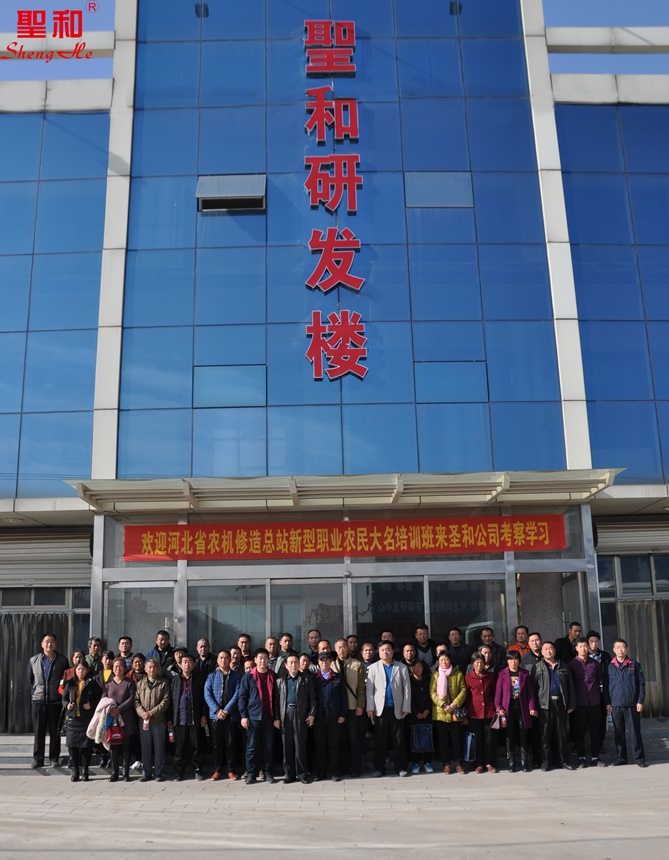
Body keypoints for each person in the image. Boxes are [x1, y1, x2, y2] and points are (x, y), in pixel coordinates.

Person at [366, 640, 412, 777]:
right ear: (378, 652)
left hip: (397, 708)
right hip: (380, 709)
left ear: (393, 651)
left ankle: (400, 767)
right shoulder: (373, 668)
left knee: (399, 739)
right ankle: (379, 768)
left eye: (388, 649)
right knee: (380, 740)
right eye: (382, 650)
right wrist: (370, 708)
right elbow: (369, 691)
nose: (385, 652)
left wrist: (406, 706)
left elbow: (407, 689)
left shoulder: (401, 667)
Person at [237, 648, 280, 784]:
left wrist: (277, 717)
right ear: (255, 660)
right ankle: (251, 773)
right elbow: (242, 697)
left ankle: (268, 772)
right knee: (252, 746)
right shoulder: (248, 676)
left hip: (269, 717)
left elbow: (277, 698)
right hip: (253, 716)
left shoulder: (273, 676)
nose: (262, 661)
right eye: (260, 658)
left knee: (268, 746)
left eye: (265, 658)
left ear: (268, 660)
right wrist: (243, 715)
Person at [532, 642, 575, 771]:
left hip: (561, 703)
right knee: (545, 734)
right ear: (542, 652)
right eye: (545, 649)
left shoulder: (563, 666)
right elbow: (532, 689)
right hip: (544, 705)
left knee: (561, 734)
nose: (548, 651)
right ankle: (546, 761)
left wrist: (571, 704)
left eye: (551, 648)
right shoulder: (537, 667)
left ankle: (563, 761)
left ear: (555, 651)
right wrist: (533, 706)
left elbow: (571, 686)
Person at [29, 632, 70, 769]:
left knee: (55, 732)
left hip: (55, 701)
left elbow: (65, 680)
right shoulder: (33, 660)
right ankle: (38, 759)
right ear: (42, 644)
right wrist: (36, 692)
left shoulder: (62, 660)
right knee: (39, 731)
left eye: (52, 641)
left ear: (55, 644)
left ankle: (54, 758)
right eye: (47, 641)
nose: (49, 644)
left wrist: (62, 696)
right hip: (39, 701)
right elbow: (31, 680)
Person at [276, 653, 316, 784]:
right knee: (287, 746)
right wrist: (276, 718)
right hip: (286, 714)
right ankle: (289, 774)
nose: (293, 665)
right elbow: (276, 702)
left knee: (300, 745)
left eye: (296, 662)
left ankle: (302, 773)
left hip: (300, 715)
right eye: (291, 663)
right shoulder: (280, 681)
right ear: (286, 665)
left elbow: (313, 699)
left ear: (299, 664)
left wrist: (312, 714)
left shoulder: (306, 680)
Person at [494, 651, 538, 772]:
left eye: (515, 659)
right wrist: (499, 707)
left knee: (523, 733)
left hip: (522, 707)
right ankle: (511, 760)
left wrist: (532, 707)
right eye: (510, 659)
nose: (513, 662)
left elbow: (530, 693)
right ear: (507, 661)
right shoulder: (502, 674)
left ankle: (524, 760)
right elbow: (498, 694)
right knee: (510, 735)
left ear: (519, 661)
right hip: (508, 708)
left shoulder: (525, 673)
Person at [607, 639, 647, 767]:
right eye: (617, 647)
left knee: (635, 732)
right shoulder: (610, 666)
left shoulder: (634, 664)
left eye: (623, 647)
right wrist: (608, 703)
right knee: (618, 733)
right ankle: (621, 758)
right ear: (614, 650)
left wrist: (640, 701)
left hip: (632, 705)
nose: (620, 650)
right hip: (616, 705)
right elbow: (606, 686)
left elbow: (641, 684)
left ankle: (639, 758)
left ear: (627, 649)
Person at [205, 649, 242, 781]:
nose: (223, 660)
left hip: (230, 715)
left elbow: (237, 693)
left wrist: (226, 710)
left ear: (230, 659)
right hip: (216, 716)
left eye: (226, 657)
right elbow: (207, 694)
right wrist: (217, 710)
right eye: (221, 657)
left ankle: (231, 770)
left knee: (231, 743)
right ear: (217, 660)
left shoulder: (237, 676)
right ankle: (217, 770)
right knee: (217, 744)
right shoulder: (211, 676)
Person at [62, 662, 101, 781]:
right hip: (73, 719)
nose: (81, 672)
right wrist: (67, 705)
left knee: (86, 747)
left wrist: (91, 705)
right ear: (75, 670)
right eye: (78, 669)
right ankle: (75, 770)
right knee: (72, 746)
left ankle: (85, 770)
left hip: (86, 719)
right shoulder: (70, 683)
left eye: (83, 669)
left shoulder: (92, 683)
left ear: (87, 670)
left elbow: (99, 699)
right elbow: (64, 699)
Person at [333, 638, 366, 777]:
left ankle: (355, 769)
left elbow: (361, 688)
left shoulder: (357, 664)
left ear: (348, 648)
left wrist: (360, 705)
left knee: (354, 739)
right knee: (339, 740)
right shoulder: (331, 665)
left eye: (344, 647)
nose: (341, 650)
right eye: (339, 647)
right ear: (335, 649)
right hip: (337, 709)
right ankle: (341, 768)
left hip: (352, 707)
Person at [170, 653, 206, 780]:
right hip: (179, 719)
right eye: (184, 662)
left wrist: (203, 715)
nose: (187, 664)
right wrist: (170, 719)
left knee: (197, 746)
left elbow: (203, 699)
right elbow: (170, 700)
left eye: (190, 662)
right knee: (179, 747)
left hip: (194, 718)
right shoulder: (175, 680)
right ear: (180, 665)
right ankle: (179, 772)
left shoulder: (199, 679)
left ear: (194, 664)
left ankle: (198, 770)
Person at [430, 651, 467, 775]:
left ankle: (458, 763)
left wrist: (454, 704)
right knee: (443, 741)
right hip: (441, 712)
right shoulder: (435, 675)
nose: (444, 662)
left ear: (450, 660)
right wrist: (443, 705)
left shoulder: (458, 674)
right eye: (441, 660)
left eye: (446, 659)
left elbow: (463, 690)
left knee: (457, 739)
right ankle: (446, 764)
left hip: (455, 712)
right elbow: (432, 693)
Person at [570, 637, 604, 767]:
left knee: (595, 730)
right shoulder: (572, 665)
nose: (583, 649)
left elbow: (600, 680)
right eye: (580, 646)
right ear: (576, 648)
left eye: (585, 646)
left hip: (594, 702)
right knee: (580, 731)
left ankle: (595, 757)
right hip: (579, 703)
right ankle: (581, 757)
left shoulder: (595, 664)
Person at [135, 657, 170, 782]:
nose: (152, 669)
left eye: (154, 667)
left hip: (158, 720)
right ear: (145, 669)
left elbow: (165, 701)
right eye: (149, 667)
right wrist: (142, 713)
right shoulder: (140, 684)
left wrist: (151, 713)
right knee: (146, 747)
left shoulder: (163, 683)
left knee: (159, 747)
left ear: (158, 669)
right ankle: (147, 773)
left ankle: (159, 773)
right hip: (144, 720)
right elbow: (136, 701)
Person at [314, 651, 347, 781]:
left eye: (327, 660)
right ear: (318, 663)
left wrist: (342, 714)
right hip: (319, 717)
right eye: (322, 660)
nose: (324, 663)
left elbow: (343, 697)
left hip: (334, 716)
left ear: (331, 662)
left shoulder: (337, 677)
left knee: (334, 745)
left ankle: (335, 772)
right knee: (320, 745)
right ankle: (321, 773)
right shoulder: (314, 678)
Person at [104, 656, 137, 782]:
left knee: (126, 747)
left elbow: (132, 698)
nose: (118, 669)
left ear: (124, 668)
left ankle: (126, 773)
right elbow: (104, 699)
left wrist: (119, 709)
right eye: (116, 666)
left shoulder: (129, 683)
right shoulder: (108, 684)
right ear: (112, 668)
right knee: (114, 748)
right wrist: (111, 709)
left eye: (120, 666)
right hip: (112, 719)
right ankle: (115, 772)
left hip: (126, 719)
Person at [465, 652, 497, 773]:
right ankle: (478, 764)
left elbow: (495, 693)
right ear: (472, 664)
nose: (479, 665)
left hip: (489, 712)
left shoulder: (490, 676)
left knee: (490, 739)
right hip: (474, 713)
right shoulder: (468, 677)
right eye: (477, 663)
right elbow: (466, 696)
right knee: (477, 739)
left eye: (481, 662)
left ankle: (490, 763)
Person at [407, 657, 433, 774]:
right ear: (411, 668)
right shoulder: (409, 681)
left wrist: (427, 710)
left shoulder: (428, 680)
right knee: (414, 739)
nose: (418, 669)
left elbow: (431, 696)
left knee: (427, 738)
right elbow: (409, 698)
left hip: (427, 713)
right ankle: (416, 762)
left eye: (420, 667)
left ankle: (427, 762)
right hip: (414, 715)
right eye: (415, 667)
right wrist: (416, 712)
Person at [587, 630, 611, 746]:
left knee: (602, 718)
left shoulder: (605, 656)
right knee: (589, 719)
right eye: (591, 641)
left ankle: (600, 743)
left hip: (602, 691)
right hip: (588, 693)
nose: (594, 644)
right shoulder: (582, 656)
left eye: (596, 641)